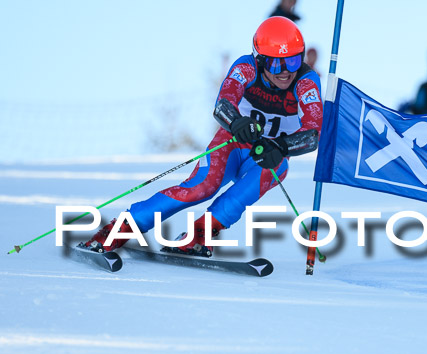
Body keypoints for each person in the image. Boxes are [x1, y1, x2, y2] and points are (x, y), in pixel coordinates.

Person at [81, 16, 323, 257]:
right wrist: (238, 122)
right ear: (260, 61)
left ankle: (200, 233)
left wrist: (280, 146)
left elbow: (312, 133)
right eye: (276, 65)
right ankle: (121, 229)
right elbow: (223, 104)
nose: (285, 72)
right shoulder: (246, 67)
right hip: (232, 145)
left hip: (266, 156)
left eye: (292, 61)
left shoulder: (305, 81)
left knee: (278, 168)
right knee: (200, 188)